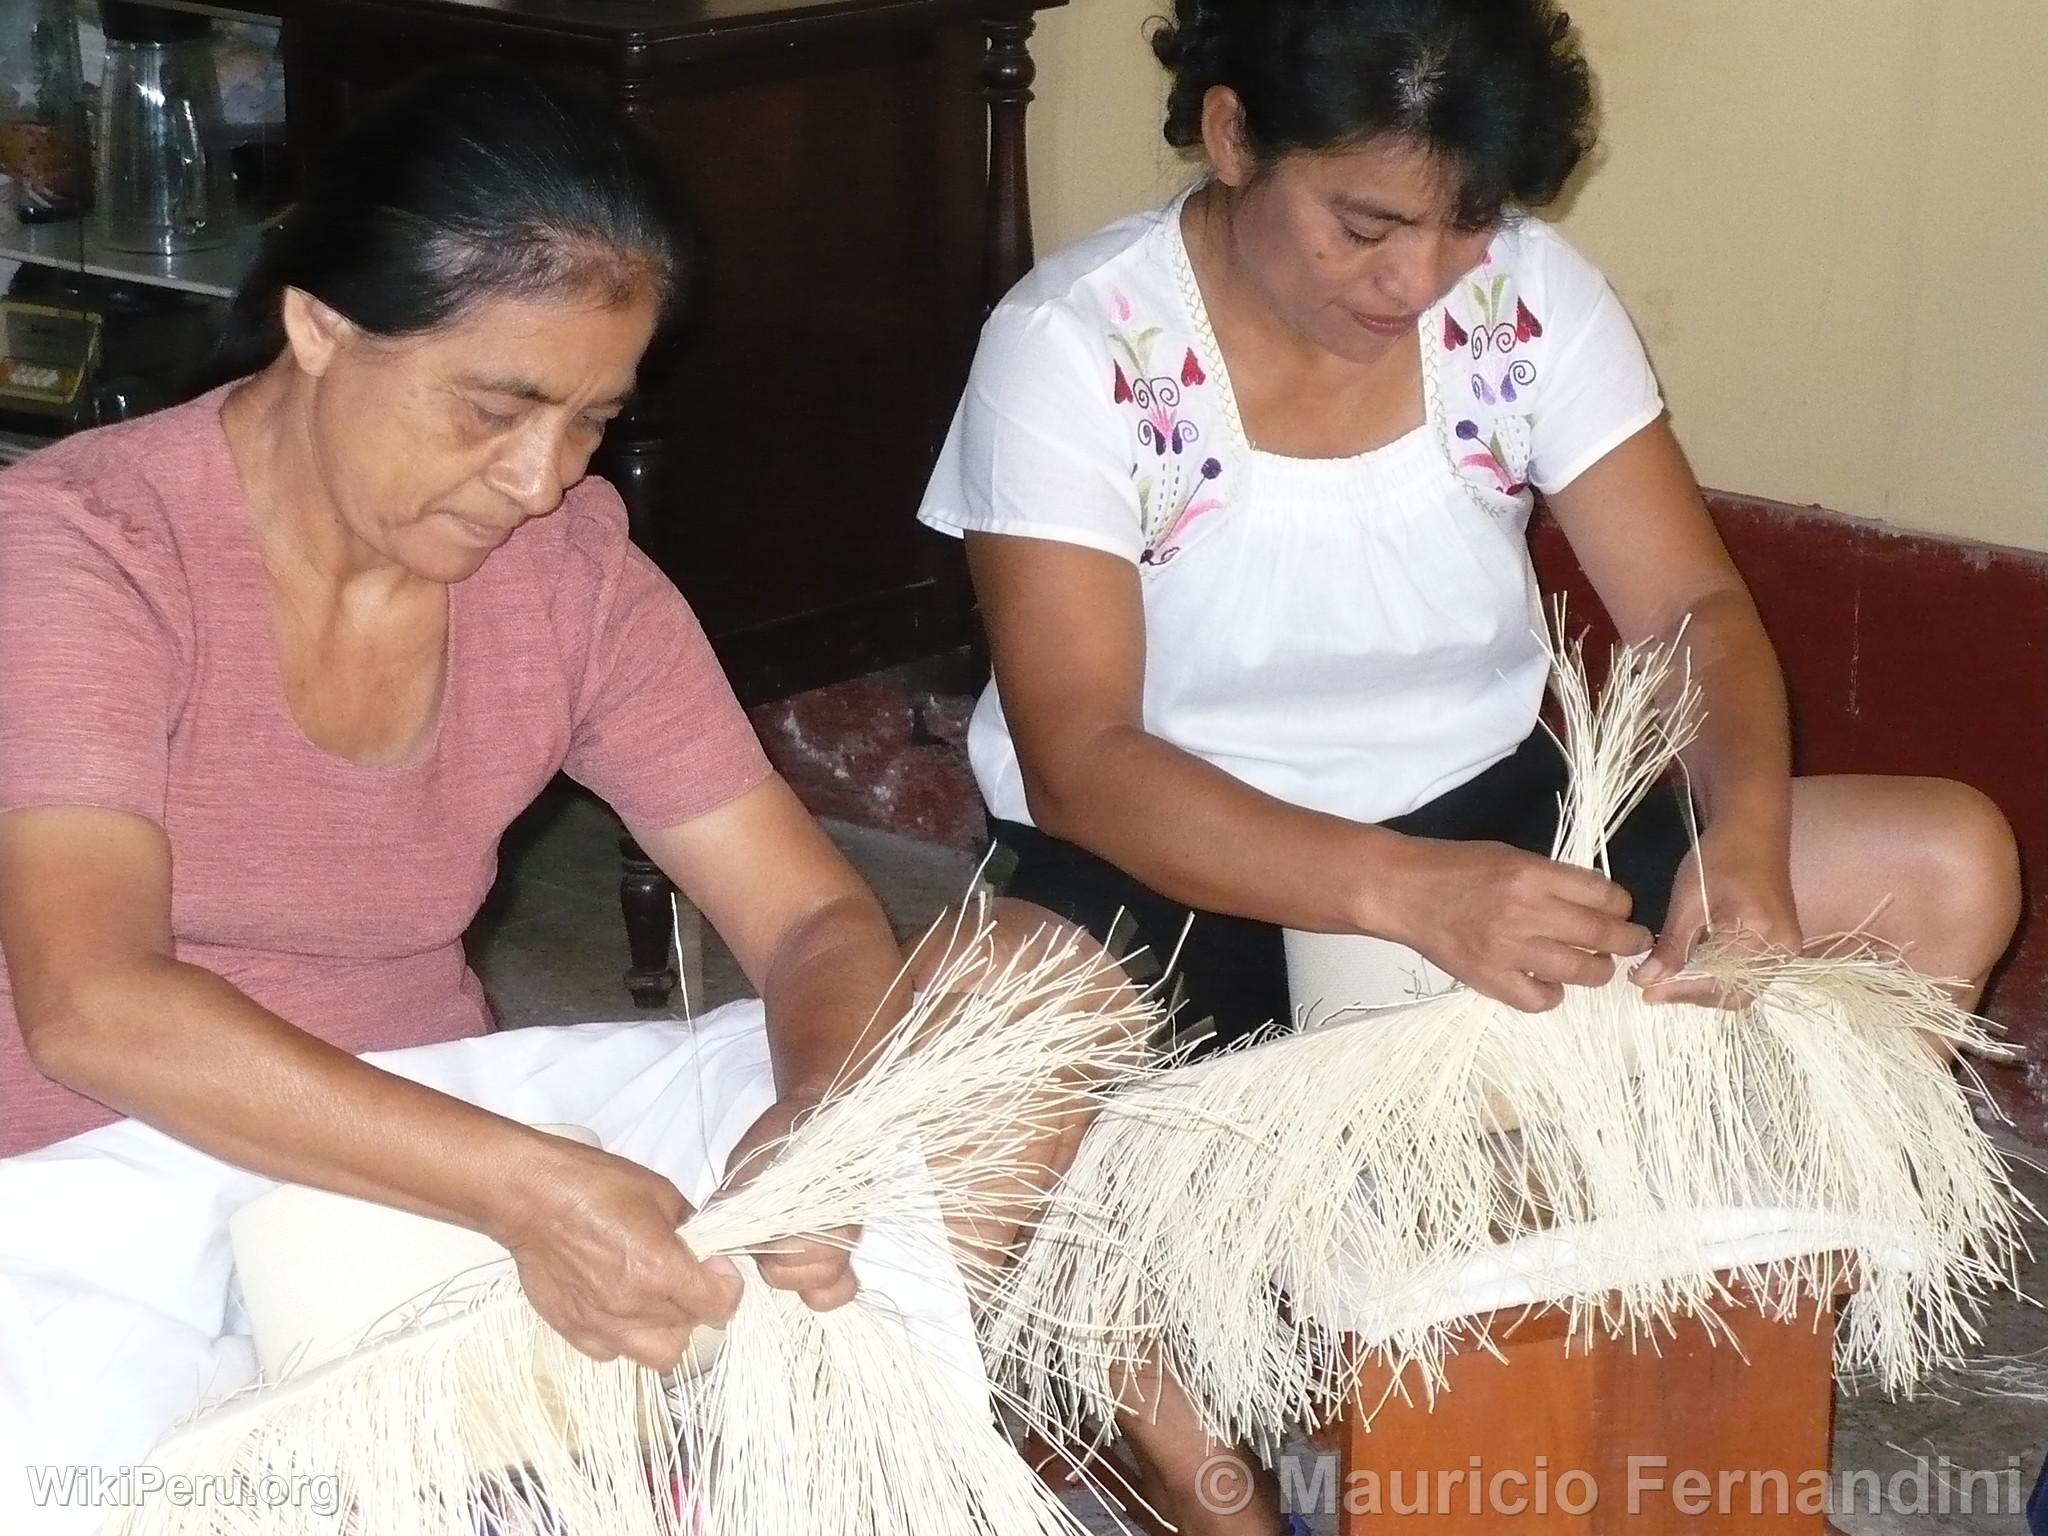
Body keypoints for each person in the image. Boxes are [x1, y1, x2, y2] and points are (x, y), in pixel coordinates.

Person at [918, 0, 2023, 1529]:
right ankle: (1215, 1466)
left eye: (1465, 224)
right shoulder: (1076, 349)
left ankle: (1704, 1365)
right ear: (1234, 135)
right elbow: (1085, 757)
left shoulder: (1522, 301)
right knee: (961, 1134)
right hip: (1168, 852)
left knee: (1945, 862)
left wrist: (1746, 840)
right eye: (1365, 222)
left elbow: (1695, 609)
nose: (1418, 279)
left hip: (1501, 819)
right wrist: (1408, 897)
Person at [0, 65, 1090, 1535]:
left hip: (446, 1119)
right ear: (317, 324)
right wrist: (524, 1193)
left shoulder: (571, 568)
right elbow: (95, 1008)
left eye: (589, 421)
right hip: (103, 1170)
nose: (538, 479)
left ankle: (776, 1460)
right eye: (495, 410)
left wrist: (816, 1122)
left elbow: (815, 915)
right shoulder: (87, 547)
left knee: (1034, 983)